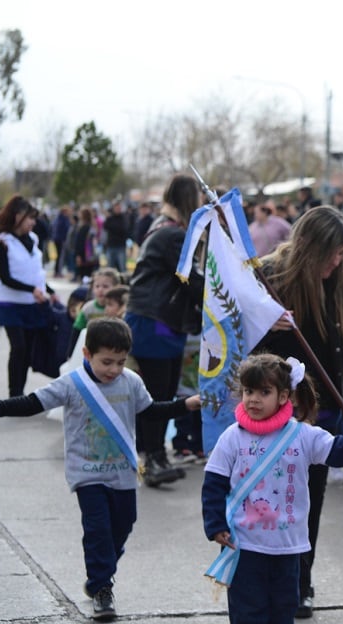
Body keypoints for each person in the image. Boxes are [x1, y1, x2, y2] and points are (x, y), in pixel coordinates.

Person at [0, 317, 200, 621]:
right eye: (106, 362)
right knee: (98, 531)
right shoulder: (72, 384)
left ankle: (99, 575)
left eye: (119, 361)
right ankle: (102, 588)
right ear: (87, 354)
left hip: (123, 472)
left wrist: (185, 405)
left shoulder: (131, 381)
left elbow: (151, 411)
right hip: (86, 473)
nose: (114, 369)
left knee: (124, 523)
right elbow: (33, 402)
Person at [254, 205, 343, 618]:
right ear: (309, 249)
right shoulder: (269, 277)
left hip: (321, 414)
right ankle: (267, 578)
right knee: (268, 502)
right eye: (330, 255)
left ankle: (302, 581)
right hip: (271, 413)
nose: (337, 263)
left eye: (341, 255)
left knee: (306, 502)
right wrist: (265, 322)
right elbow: (234, 337)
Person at [201, 353, 343, 624]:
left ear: (283, 396)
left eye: (264, 392)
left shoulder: (303, 435)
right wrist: (215, 523)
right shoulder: (232, 437)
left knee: (283, 610)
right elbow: (214, 482)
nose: (253, 398)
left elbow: (340, 450)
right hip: (244, 546)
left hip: (288, 548)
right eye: (248, 391)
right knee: (247, 613)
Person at [126, 173, 206, 487]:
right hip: (155, 322)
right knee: (158, 395)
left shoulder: (160, 227)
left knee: (161, 392)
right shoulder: (173, 235)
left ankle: (155, 456)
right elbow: (192, 280)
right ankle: (153, 459)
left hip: (155, 320)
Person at [0, 196, 60, 397]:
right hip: (9, 303)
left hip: (32, 303)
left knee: (28, 350)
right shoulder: (1, 243)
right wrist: (32, 290)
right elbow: (6, 278)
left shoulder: (34, 239)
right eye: (30, 218)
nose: (33, 223)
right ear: (18, 216)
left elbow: (34, 272)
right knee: (18, 347)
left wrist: (49, 291)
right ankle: (14, 394)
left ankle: (20, 392)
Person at [103, 202, 130, 272]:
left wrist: (114, 228)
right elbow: (105, 227)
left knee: (122, 268)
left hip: (120, 246)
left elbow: (124, 229)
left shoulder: (123, 218)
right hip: (111, 246)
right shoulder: (110, 218)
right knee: (109, 268)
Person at [74, 206, 99, 281]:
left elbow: (80, 242)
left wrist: (78, 255)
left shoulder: (84, 227)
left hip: (84, 255)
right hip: (91, 255)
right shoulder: (92, 226)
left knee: (84, 276)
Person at [51, 206, 72, 277]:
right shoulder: (64, 219)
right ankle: (58, 272)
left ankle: (56, 271)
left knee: (58, 256)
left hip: (56, 239)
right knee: (60, 257)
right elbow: (67, 228)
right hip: (61, 240)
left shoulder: (57, 219)